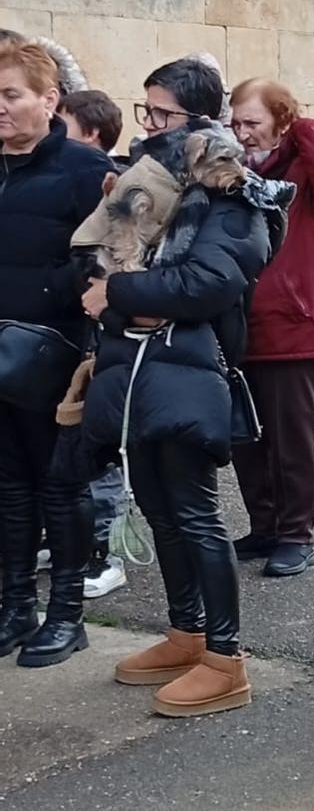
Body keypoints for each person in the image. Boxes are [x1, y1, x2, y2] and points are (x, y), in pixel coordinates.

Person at [79, 57, 292, 717]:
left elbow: (207, 286)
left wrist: (118, 291)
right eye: (147, 112)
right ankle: (185, 632)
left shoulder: (233, 195)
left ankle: (226, 658)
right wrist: (121, 299)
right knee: (158, 505)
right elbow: (91, 270)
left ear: (201, 119)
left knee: (195, 513)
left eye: (163, 114)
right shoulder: (145, 190)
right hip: (135, 367)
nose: (151, 128)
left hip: (189, 370)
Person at [0, 39, 109, 665]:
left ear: (50, 99)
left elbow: (104, 260)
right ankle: (17, 604)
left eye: (13, 96)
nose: (3, 109)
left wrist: (56, 290)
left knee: (60, 486)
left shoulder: (83, 171)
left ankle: (67, 613)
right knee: (9, 485)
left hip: (53, 356)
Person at [228, 79, 314, 578]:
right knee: (246, 436)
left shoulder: (308, 174)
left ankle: (296, 534)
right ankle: (265, 525)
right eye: (235, 123)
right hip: (242, 325)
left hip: (297, 324)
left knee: (292, 437)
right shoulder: (233, 171)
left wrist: (299, 121)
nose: (243, 134)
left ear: (280, 123)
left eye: (253, 123)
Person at [59, 88, 129, 598]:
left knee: (99, 443)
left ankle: (106, 548)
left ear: (92, 135)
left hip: (98, 331)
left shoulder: (99, 179)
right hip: (58, 329)